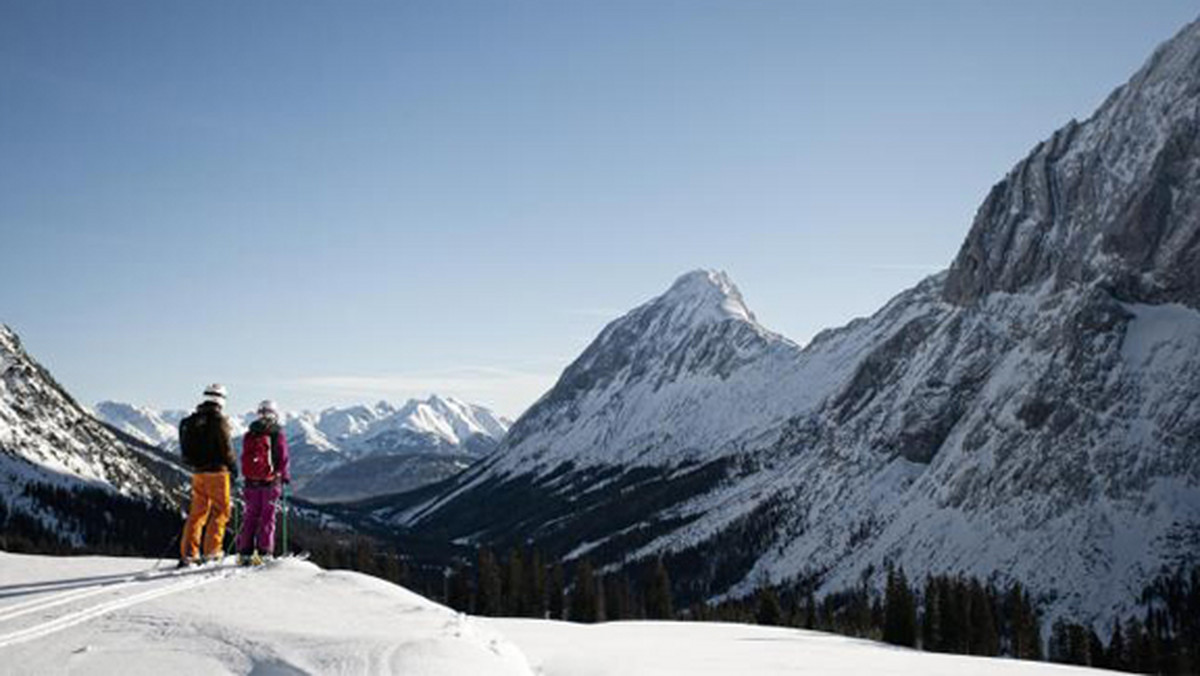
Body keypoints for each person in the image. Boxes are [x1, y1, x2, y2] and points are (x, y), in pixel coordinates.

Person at [177, 383, 237, 567]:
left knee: (197, 514)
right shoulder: (219, 420)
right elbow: (226, 448)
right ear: (222, 400)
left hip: (198, 472)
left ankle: (189, 553)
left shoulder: (193, 420)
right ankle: (212, 552)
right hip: (217, 473)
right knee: (220, 511)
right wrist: (233, 467)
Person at [236, 399, 290, 565]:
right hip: (270, 483)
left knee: (250, 517)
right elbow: (283, 458)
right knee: (268, 517)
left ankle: (244, 552)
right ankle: (264, 552)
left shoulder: (249, 434)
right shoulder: (277, 434)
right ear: (274, 414)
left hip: (250, 483)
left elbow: (244, 456)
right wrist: (285, 476)